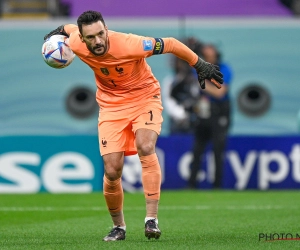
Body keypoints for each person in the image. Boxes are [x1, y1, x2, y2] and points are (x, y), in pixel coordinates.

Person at [43, 10, 223, 241]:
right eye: (91, 37)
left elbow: (170, 43)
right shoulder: (75, 41)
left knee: (145, 146)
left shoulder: (130, 44)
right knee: (112, 169)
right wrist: (55, 33)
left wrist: (199, 64)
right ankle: (118, 227)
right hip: (110, 106)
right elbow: (66, 28)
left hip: (144, 98)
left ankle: (151, 220)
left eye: (101, 34)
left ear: (106, 30)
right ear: (82, 37)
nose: (97, 41)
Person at [187, 44, 232, 189]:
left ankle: (217, 185)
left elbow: (220, 92)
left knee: (218, 151)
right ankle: (191, 185)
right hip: (202, 112)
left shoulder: (224, 68)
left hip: (219, 113)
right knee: (197, 149)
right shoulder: (197, 68)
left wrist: (203, 84)